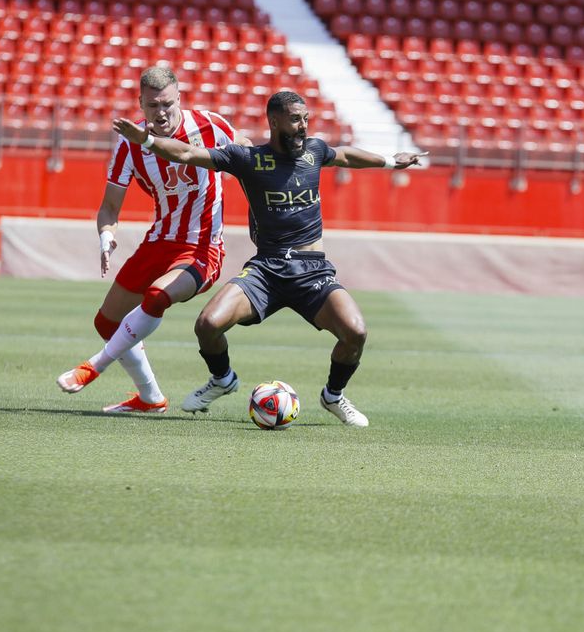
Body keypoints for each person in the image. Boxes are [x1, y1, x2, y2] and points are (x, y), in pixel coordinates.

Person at [113, 89, 426, 427]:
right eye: (295, 119)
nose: (303, 126)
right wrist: (146, 140)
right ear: (274, 121)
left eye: (306, 119)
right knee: (207, 325)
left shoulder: (315, 151)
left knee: (356, 332)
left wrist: (393, 160)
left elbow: (347, 156)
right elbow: (188, 153)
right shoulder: (248, 158)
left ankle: (333, 396)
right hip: (267, 269)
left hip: (312, 270)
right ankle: (222, 379)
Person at [55, 65, 245, 413]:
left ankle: (93, 366)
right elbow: (110, 206)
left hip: (203, 247)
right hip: (159, 241)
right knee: (106, 321)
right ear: (141, 105)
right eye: (153, 106)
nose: (161, 113)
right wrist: (106, 235)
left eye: (168, 104)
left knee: (158, 296)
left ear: (180, 99)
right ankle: (150, 398)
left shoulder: (211, 126)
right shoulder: (130, 142)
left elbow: (248, 156)